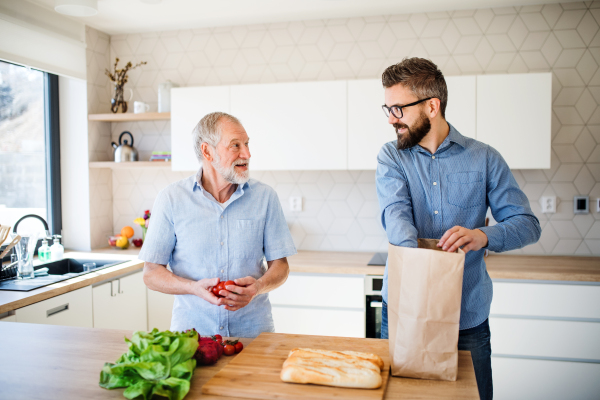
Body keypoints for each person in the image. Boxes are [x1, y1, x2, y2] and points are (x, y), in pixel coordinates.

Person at [375, 57, 541, 400]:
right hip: (404, 311)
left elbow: (528, 225)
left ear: (432, 106)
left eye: (398, 109)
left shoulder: (484, 158)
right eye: (387, 108)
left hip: (467, 317)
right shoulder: (391, 157)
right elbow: (397, 218)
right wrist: (422, 273)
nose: (392, 119)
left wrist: (483, 236)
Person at [139, 111, 297, 338]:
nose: (247, 153)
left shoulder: (265, 197)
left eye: (247, 144)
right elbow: (151, 273)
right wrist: (192, 288)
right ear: (207, 151)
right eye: (235, 145)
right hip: (192, 338)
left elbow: (281, 266)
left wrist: (258, 288)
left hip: (253, 335)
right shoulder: (171, 199)